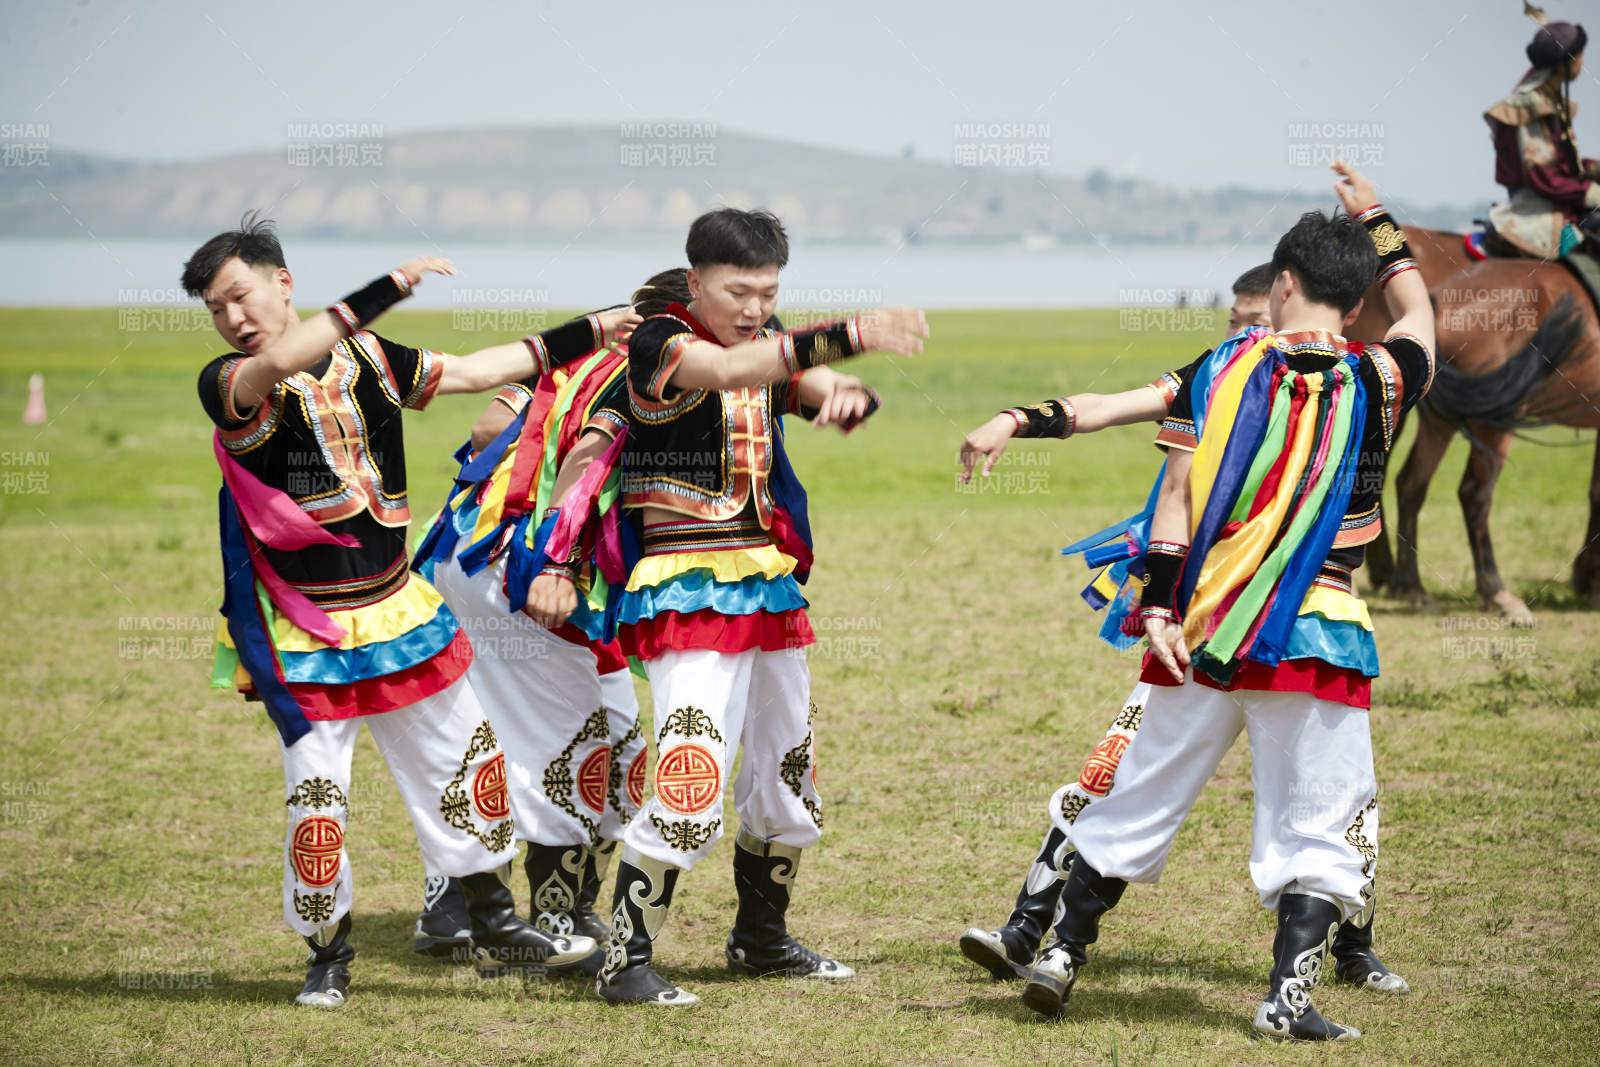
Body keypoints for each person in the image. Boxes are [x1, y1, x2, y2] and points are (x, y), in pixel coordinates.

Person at [1017, 163, 1435, 1041]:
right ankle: (1286, 998)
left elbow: (1169, 494)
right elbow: (1421, 314)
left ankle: (1062, 951)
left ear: (1281, 285)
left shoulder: (1226, 366)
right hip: (1317, 630)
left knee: (1142, 789)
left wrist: (1161, 610)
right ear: (1355, 307)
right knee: (1323, 809)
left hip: (1206, 625)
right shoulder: (1383, 381)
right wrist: (1378, 221)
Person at [187, 213, 636, 1007]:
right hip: (312, 631)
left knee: (464, 759)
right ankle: (328, 955)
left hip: (398, 612)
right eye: (218, 308)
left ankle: (496, 921)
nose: (233, 319)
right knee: (317, 797)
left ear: (282, 282)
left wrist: (593, 328)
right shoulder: (230, 384)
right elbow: (287, 356)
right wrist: (386, 288)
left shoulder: (366, 356)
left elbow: (470, 372)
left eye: (240, 296)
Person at [954, 265, 1409, 997]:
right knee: (1122, 767)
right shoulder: (1226, 372)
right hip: (1203, 623)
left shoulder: (1333, 384)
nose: (1241, 332)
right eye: (1233, 318)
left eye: (1254, 317)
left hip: (1260, 620)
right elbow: (1107, 407)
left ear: (1290, 299)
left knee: (1336, 793)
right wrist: (1017, 416)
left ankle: (1354, 946)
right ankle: (1031, 928)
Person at [594, 207, 926, 1006]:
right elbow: (733, 372)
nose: (752, 306)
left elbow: (791, 384)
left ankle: (762, 938)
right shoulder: (658, 342)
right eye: (738, 290)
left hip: (768, 585)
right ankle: (624, 961)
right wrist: (849, 335)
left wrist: (839, 392)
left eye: (767, 291)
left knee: (787, 772)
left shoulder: (760, 338)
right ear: (696, 277)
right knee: (690, 769)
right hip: (686, 588)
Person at [409, 274, 694, 970]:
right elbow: (586, 459)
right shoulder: (652, 375)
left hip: (464, 555)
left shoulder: (568, 361)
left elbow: (481, 429)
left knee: (543, 738)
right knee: (574, 744)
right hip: (529, 569)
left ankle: (455, 903)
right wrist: (557, 552)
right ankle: (550, 922)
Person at [1485, 18, 1597, 258]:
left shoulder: (1548, 101)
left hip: (1561, 203)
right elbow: (1542, 177)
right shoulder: (1531, 106)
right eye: (1580, 56)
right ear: (1563, 64)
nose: (1584, 62)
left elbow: (1562, 167)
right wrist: (1591, 192)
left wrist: (1593, 170)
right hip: (1542, 215)